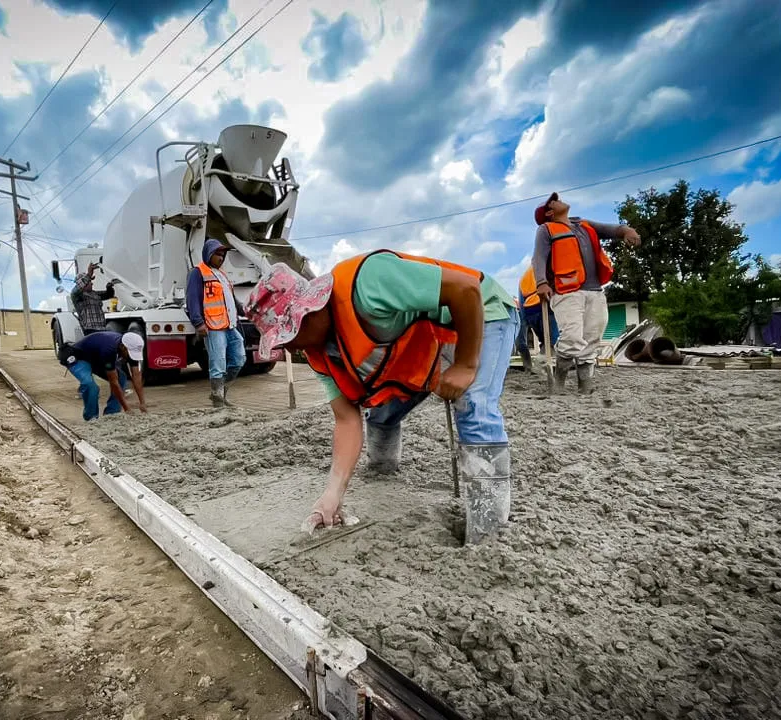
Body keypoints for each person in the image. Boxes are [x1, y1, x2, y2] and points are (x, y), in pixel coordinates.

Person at [245, 253, 519, 543]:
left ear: (311, 309)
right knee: (383, 406)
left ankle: (489, 533)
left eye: (289, 334)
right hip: (425, 342)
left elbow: (465, 288)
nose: (290, 348)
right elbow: (347, 420)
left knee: (473, 403)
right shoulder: (320, 355)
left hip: (480, 312)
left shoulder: (368, 282)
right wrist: (331, 495)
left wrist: (465, 365)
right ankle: (383, 469)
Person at [531, 192, 640, 393]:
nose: (559, 199)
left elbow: (611, 229)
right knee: (572, 336)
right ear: (549, 212)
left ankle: (585, 386)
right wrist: (541, 282)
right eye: (554, 201)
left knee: (592, 336)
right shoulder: (546, 230)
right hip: (567, 292)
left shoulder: (584, 224)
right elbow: (538, 257)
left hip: (595, 291)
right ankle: (559, 383)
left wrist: (626, 231)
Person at [186, 239, 246, 407]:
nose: (221, 258)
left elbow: (232, 301)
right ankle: (218, 402)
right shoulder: (198, 273)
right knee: (218, 364)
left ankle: (220, 393)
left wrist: (247, 310)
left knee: (239, 358)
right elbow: (192, 300)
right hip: (213, 326)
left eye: (223, 255)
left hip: (230, 325)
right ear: (209, 254)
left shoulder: (222, 275)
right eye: (218, 254)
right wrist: (198, 323)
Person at [57, 330, 148, 420]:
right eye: (131, 353)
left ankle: (111, 415)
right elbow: (114, 383)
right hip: (78, 357)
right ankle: (91, 419)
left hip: (96, 358)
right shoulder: (108, 349)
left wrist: (142, 403)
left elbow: (137, 376)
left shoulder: (129, 350)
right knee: (90, 385)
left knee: (122, 378)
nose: (132, 357)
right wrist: (127, 409)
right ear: (123, 347)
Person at [515, 264, 559, 372]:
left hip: (529, 311)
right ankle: (540, 364)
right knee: (549, 343)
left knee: (545, 341)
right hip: (546, 307)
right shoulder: (550, 266)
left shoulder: (524, 278)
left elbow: (521, 301)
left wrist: (525, 319)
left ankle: (533, 366)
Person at [72, 262, 118, 336]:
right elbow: (76, 290)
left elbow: (109, 295)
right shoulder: (77, 296)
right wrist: (89, 275)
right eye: (90, 281)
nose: (92, 283)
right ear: (84, 284)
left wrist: (109, 288)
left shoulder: (94, 294)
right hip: (90, 331)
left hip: (103, 329)